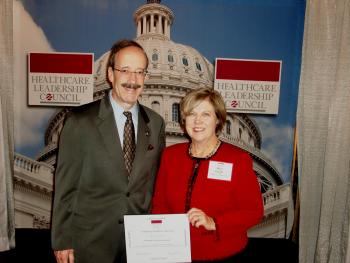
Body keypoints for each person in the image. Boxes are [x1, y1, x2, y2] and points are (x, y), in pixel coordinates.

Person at [51, 39, 165, 263]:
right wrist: (62, 239)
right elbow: (66, 186)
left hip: (139, 243)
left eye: (139, 72)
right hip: (91, 242)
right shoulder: (80, 120)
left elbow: (153, 182)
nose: (133, 80)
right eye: (125, 71)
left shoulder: (156, 122)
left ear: (146, 78)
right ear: (111, 74)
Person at [151, 88, 263, 262]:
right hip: (176, 253)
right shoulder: (170, 155)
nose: (197, 121)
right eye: (191, 114)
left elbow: (254, 211)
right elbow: (159, 204)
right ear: (183, 119)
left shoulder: (237, 159)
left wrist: (214, 222)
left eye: (206, 114)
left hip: (222, 253)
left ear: (218, 120)